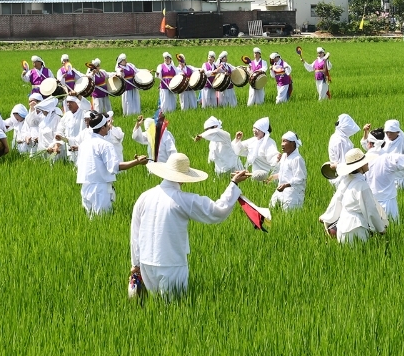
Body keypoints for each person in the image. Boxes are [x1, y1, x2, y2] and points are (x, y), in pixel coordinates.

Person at [130, 153, 250, 297]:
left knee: (154, 309)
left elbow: (135, 232)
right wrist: (234, 184)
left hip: (146, 262)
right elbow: (216, 211)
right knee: (173, 310)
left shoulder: (145, 196)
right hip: (171, 263)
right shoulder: (183, 200)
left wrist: (135, 263)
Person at [76, 111, 148, 217]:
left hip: (85, 187)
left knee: (90, 222)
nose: (109, 127)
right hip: (100, 188)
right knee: (102, 221)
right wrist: (137, 162)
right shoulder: (105, 145)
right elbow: (115, 167)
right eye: (107, 125)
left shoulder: (84, 144)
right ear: (102, 128)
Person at [319, 148, 389, 244]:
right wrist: (380, 229)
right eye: (365, 162)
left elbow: (337, 199)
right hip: (357, 229)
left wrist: (326, 216)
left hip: (342, 229)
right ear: (360, 166)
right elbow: (371, 210)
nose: (367, 163)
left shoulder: (347, 180)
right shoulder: (362, 186)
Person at [268, 131, 306, 210]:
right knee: (271, 208)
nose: (282, 144)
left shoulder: (297, 159)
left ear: (293, 143)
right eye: (282, 141)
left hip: (292, 193)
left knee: (289, 216)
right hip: (280, 190)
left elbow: (300, 178)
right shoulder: (284, 156)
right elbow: (284, 173)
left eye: (285, 141)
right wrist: (272, 177)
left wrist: (286, 185)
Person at [382, 119, 404, 189]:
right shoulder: (383, 142)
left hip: (399, 180)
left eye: (391, 132)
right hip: (385, 179)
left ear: (397, 132)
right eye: (387, 132)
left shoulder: (403, 143)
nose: (389, 134)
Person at [53, 96, 87, 163]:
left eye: (71, 102)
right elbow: (60, 127)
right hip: (69, 146)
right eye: (67, 102)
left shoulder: (84, 113)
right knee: (71, 164)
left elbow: (87, 106)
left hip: (80, 145)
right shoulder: (67, 115)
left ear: (77, 102)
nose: (68, 104)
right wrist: (59, 135)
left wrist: (78, 95)